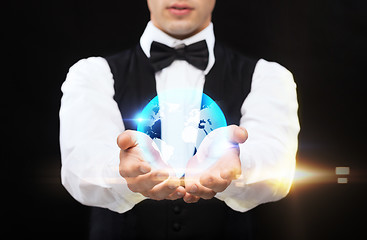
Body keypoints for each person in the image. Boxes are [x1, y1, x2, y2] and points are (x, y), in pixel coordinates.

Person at [59, 0, 300, 239]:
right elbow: (79, 168)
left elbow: (278, 168)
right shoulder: (92, 74)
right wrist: (125, 173)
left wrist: (237, 165)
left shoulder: (268, 77)